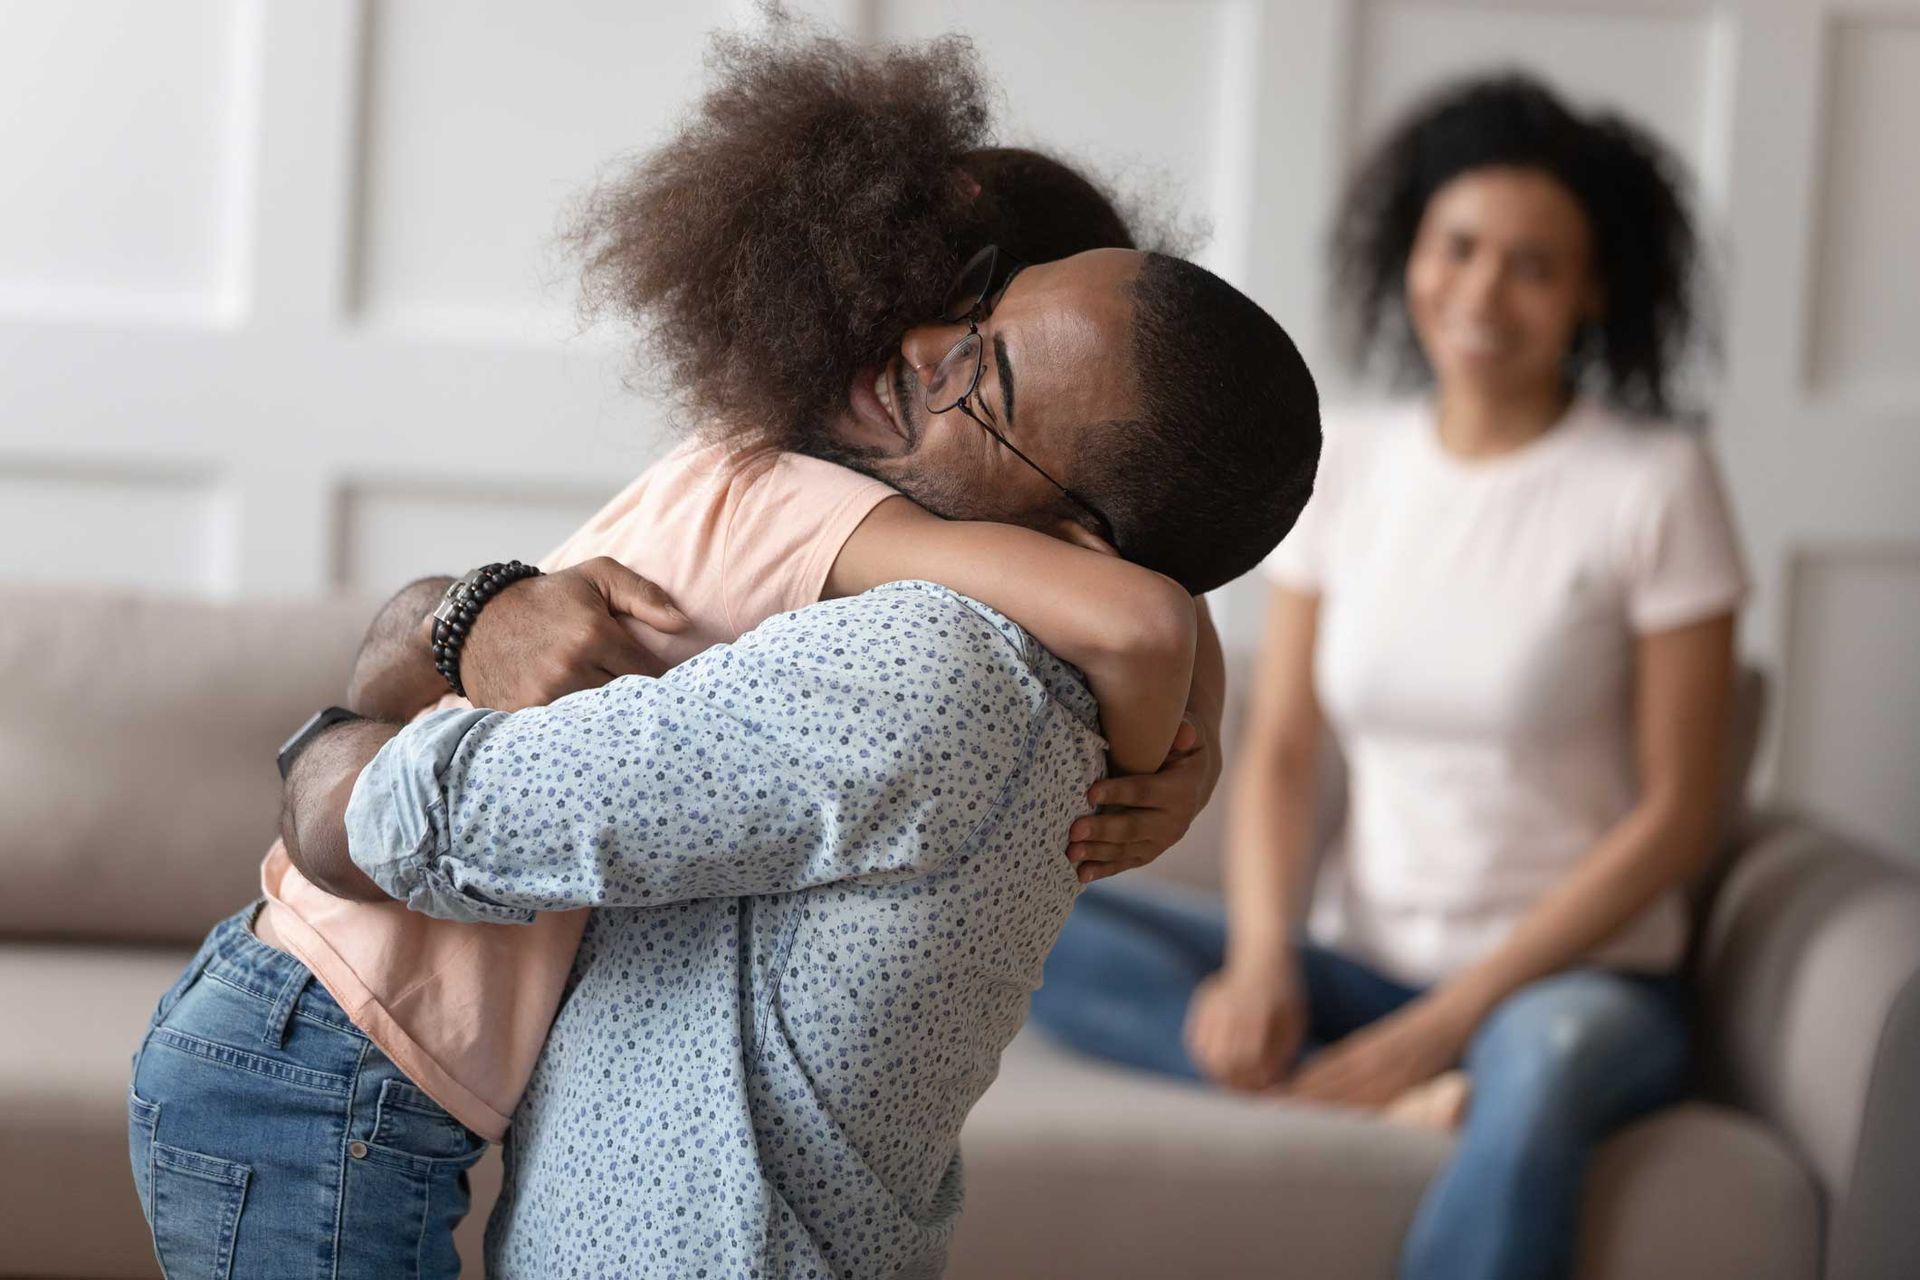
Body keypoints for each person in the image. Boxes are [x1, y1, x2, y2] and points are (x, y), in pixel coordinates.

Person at [127, 20, 1322, 1280]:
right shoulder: (812, 510)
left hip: (360, 1040)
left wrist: (1190, 732)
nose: (916, 354)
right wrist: (1173, 751)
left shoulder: (913, 628)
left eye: (982, 367)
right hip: (332, 1031)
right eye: (955, 308)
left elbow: (1142, 596)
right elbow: (1147, 613)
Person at [1030, 72, 1748, 1280]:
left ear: (1592, 291)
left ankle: (1398, 1083)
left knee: (1549, 1063)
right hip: (1356, 961)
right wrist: (1262, 957)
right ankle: (1357, 1096)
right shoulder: (1350, 464)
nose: (1481, 291)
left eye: (1532, 264)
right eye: (1457, 246)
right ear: (1409, 250)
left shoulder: (1658, 484)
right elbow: (1288, 746)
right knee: (1042, 922)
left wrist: (1449, 1023)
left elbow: (1680, 813)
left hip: (1567, 987)